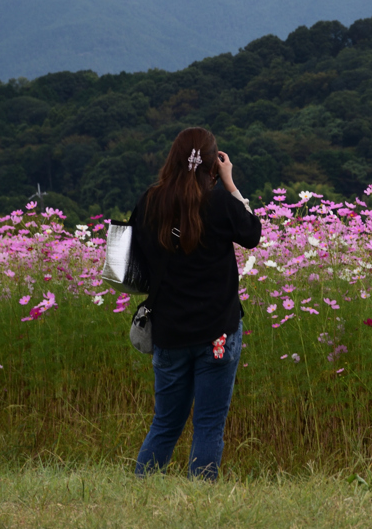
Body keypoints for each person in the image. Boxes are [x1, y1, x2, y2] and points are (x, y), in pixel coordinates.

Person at [130, 127, 261, 480]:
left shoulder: (149, 201)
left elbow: (136, 259)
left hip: (169, 333)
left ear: (172, 159)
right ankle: (200, 502)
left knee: (165, 423)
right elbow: (252, 234)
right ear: (213, 165)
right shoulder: (219, 202)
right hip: (217, 332)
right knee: (207, 425)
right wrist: (231, 184)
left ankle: (139, 494)